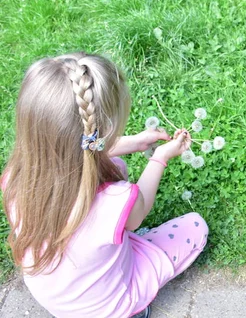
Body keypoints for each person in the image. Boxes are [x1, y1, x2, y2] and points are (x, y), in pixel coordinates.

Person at [1, 52, 209, 318]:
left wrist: (134, 142)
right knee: (195, 226)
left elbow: (79, 149)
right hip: (106, 306)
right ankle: (132, 312)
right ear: (105, 128)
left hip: (54, 296)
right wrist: (160, 157)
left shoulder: (16, 177)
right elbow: (138, 212)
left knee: (113, 175)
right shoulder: (113, 201)